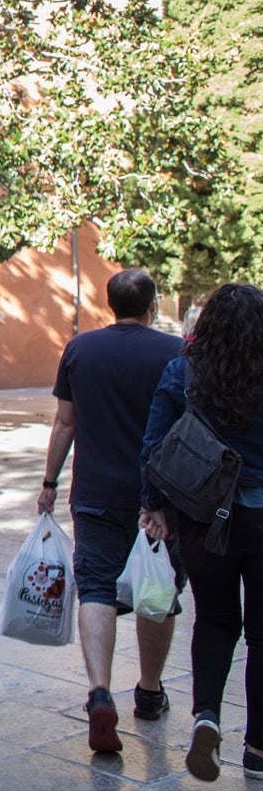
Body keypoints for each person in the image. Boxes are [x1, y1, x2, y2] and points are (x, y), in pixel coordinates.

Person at [38, 268, 184, 754]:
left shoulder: (81, 348)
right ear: (152, 303)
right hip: (160, 498)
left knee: (97, 588)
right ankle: (148, 691)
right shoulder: (173, 351)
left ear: (109, 303)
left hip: (95, 492)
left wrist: (48, 483)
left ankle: (100, 693)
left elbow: (64, 422)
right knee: (156, 587)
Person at [141, 283, 263, 782]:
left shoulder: (181, 372)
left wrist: (153, 508)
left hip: (203, 519)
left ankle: (207, 717)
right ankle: (257, 751)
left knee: (214, 621)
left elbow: (152, 447)